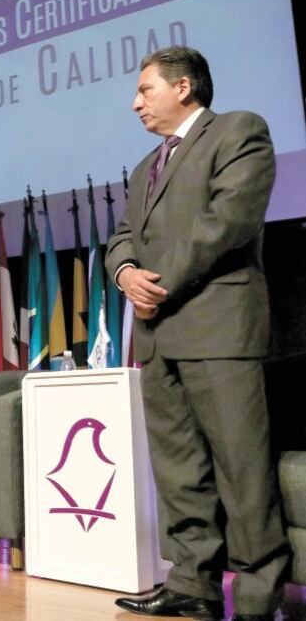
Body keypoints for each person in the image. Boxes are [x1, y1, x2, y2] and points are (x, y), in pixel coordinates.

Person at [107, 46, 289, 621]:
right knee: (179, 471)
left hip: (217, 327)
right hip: (158, 336)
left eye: (145, 90)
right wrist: (126, 273)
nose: (135, 103)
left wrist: (157, 283)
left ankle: (259, 599)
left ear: (183, 87)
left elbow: (228, 221)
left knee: (242, 469)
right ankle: (192, 584)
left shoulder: (239, 131)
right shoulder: (143, 168)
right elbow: (122, 236)